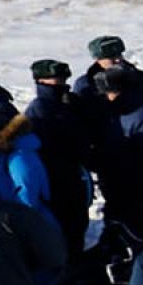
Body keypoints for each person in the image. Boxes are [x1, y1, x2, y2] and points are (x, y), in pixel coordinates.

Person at [92, 64, 143, 237]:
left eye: (109, 93)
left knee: (142, 232)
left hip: (139, 190)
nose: (106, 97)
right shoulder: (117, 112)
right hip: (120, 188)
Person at [25, 60, 92, 258]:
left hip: (74, 178)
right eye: (56, 79)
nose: (61, 83)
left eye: (63, 79)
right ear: (41, 80)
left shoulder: (65, 104)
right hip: (57, 183)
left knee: (77, 230)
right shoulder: (40, 110)